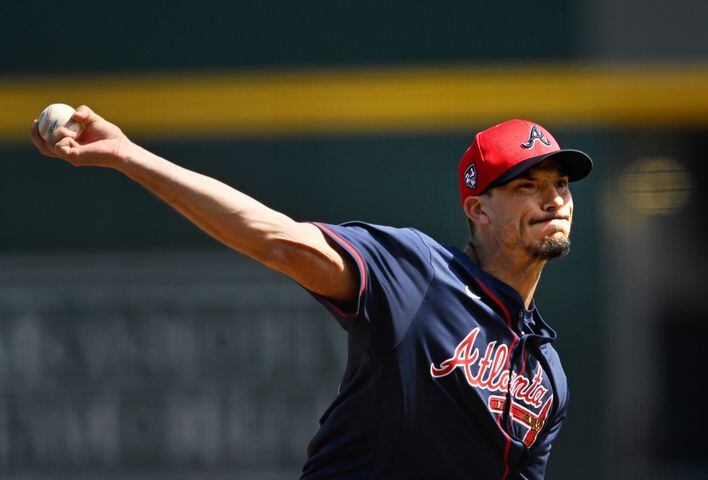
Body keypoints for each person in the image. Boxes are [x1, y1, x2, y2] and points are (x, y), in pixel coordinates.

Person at [30, 107, 592, 479]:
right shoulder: (417, 275)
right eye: (527, 185)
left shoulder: (546, 374)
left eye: (561, 184)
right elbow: (275, 239)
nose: (554, 199)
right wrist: (131, 156)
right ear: (478, 209)